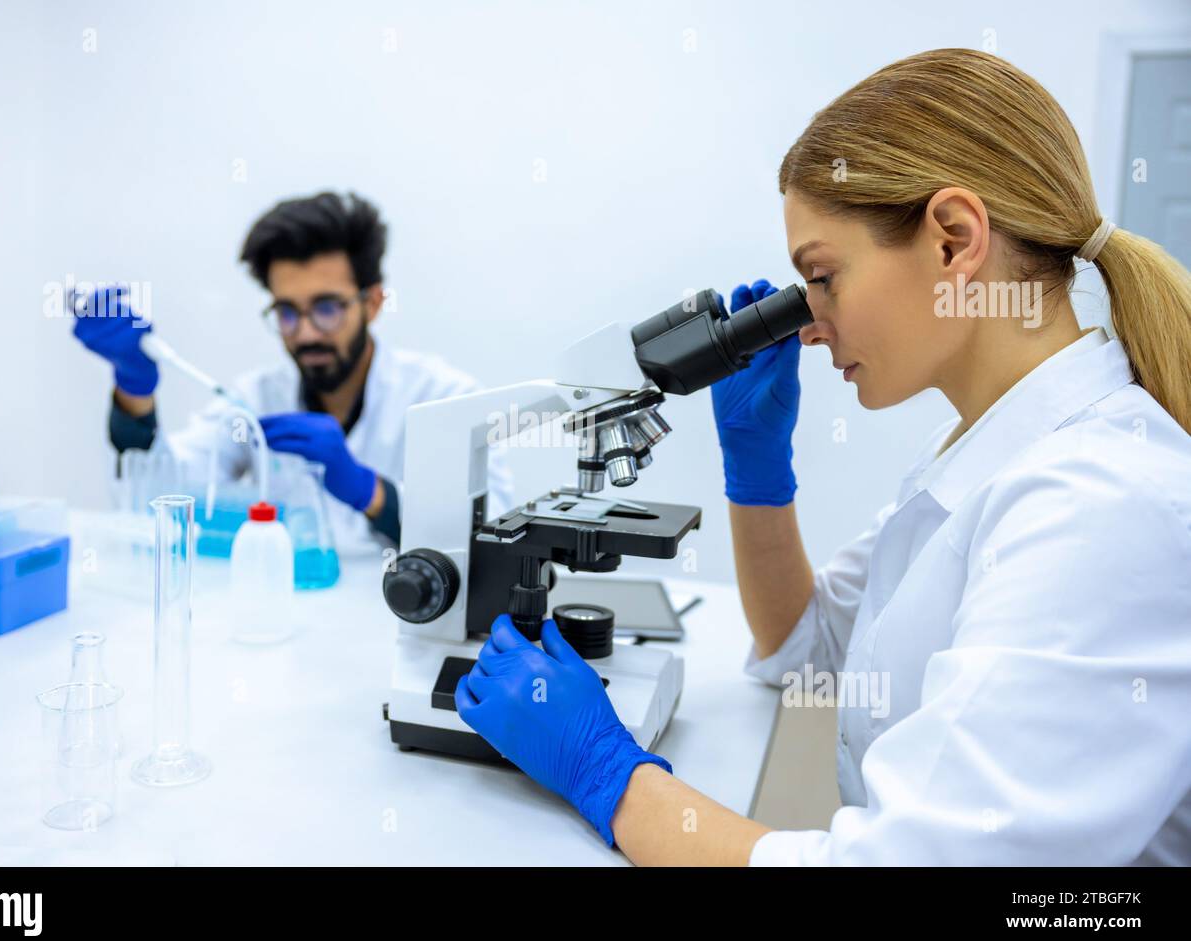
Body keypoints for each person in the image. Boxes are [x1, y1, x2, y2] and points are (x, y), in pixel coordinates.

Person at [453, 49, 1191, 865]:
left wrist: (611, 777)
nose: (808, 324)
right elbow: (803, 648)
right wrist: (757, 470)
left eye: (823, 277)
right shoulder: (990, 451)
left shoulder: (1096, 506)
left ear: (953, 242)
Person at [72, 190, 512, 551]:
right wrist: (135, 389)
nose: (304, 334)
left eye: (326, 308)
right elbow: (162, 494)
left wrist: (372, 493)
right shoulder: (257, 399)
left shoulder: (445, 398)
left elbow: (492, 538)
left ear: (373, 303)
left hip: (406, 634)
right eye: (287, 311)